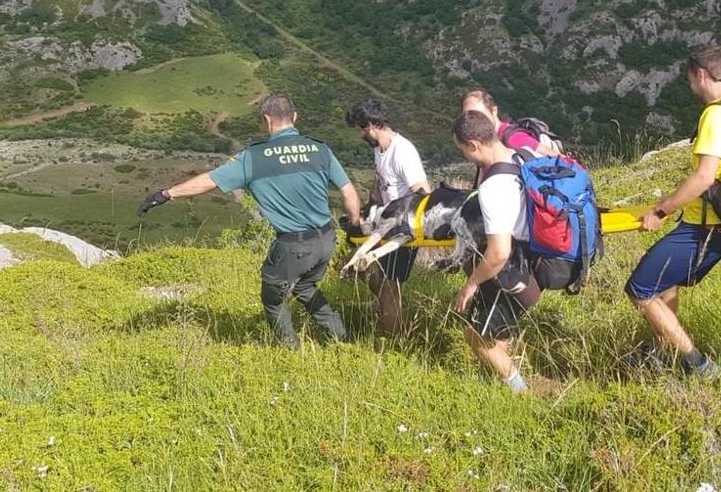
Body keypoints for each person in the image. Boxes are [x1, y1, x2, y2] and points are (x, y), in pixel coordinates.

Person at [138, 93, 362, 349]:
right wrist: (354, 228)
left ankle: (291, 351)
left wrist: (166, 194)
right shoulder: (320, 149)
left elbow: (209, 181)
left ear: (267, 121)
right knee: (305, 286)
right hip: (326, 240)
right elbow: (348, 192)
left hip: (293, 246)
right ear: (295, 118)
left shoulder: (255, 157)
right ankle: (342, 340)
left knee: (273, 299)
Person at [626, 45, 721, 379]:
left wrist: (662, 211)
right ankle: (659, 355)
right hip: (719, 223)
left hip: (704, 228)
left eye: (690, 79)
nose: (690, 86)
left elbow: (705, 176)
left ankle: (696, 364)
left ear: (701, 74)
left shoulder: (715, 114)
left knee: (639, 288)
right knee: (668, 285)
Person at [451, 110, 542, 394]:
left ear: (474, 145)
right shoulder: (522, 155)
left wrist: (471, 284)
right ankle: (500, 383)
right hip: (535, 262)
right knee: (496, 331)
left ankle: (521, 391)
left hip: (513, 273)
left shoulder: (493, 186)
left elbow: (499, 252)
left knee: (477, 337)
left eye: (464, 150)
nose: (467, 157)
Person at [344, 98, 431, 335]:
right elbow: (380, 183)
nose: (359, 134)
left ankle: (394, 339)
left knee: (390, 288)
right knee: (357, 261)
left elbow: (423, 193)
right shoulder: (379, 149)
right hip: (383, 221)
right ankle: (381, 305)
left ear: (372, 125)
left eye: (361, 129)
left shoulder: (403, 152)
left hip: (402, 228)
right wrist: (368, 210)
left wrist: (405, 224)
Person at [461, 90, 560, 158]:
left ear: (494, 111)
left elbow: (558, 158)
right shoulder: (484, 140)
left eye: (480, 116)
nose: (473, 122)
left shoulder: (514, 138)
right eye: (469, 117)